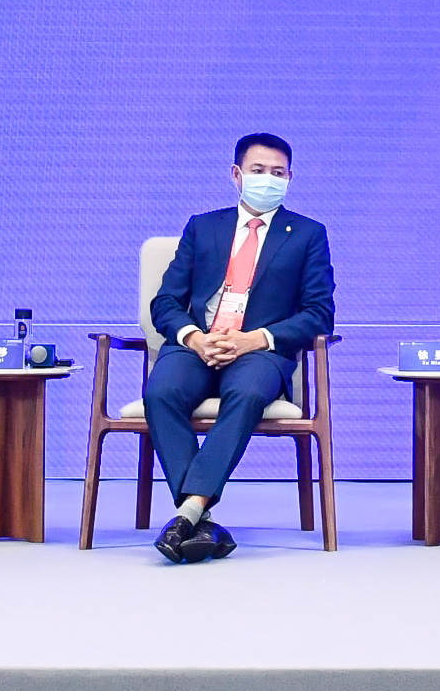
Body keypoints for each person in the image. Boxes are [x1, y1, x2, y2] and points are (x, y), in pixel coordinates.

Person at [142, 134, 335, 563]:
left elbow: (320, 313)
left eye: (278, 173)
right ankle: (200, 524)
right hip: (199, 345)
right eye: (258, 170)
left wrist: (255, 339)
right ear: (236, 174)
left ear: (290, 178)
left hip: (259, 351)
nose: (269, 179)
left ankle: (189, 511)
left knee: (245, 394)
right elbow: (166, 302)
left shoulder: (307, 234)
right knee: (161, 393)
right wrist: (194, 337)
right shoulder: (203, 227)